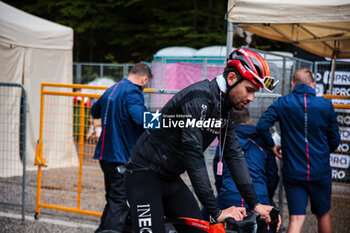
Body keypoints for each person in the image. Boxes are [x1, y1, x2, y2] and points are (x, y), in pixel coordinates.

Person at [124, 48, 281, 233]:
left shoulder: (225, 108)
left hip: (170, 178)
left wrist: (255, 204)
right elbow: (193, 156)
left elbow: (233, 154)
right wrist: (216, 212)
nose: (251, 98)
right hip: (144, 175)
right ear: (231, 78)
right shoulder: (198, 97)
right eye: (249, 90)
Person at [257, 68, 341, 233]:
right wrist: (323, 153)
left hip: (293, 171)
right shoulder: (325, 104)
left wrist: (272, 145)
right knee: (323, 215)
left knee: (296, 218)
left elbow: (261, 126)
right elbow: (335, 140)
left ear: (293, 84)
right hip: (320, 171)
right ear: (313, 84)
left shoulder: (283, 102)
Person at [91, 63, 152, 233]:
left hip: (105, 155)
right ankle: (110, 230)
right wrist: (162, 120)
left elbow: (94, 111)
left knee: (113, 199)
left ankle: (102, 230)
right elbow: (141, 119)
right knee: (120, 201)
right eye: (147, 83)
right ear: (144, 79)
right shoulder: (133, 92)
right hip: (122, 157)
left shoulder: (112, 88)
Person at [213, 108, 279, 212]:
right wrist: (267, 196)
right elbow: (273, 175)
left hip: (229, 196)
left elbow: (218, 173)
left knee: (207, 218)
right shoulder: (263, 142)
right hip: (259, 196)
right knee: (270, 220)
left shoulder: (225, 141)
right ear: (249, 121)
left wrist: (223, 192)